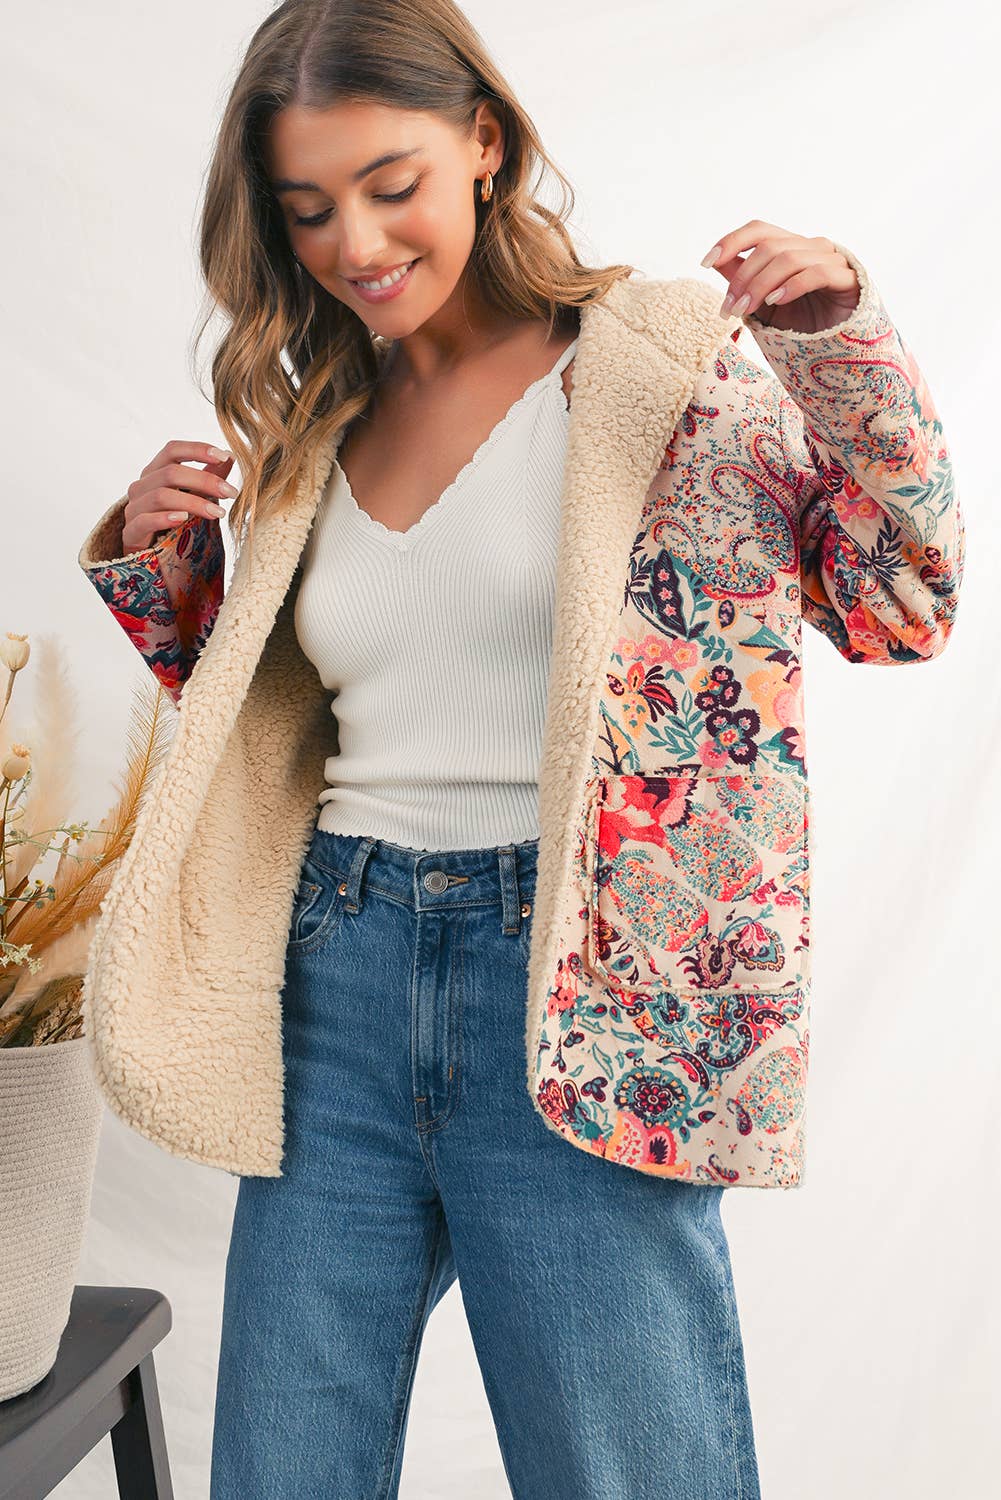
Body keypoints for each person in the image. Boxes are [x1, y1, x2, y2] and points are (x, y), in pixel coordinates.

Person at [75, 1, 965, 1495]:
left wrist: (836, 345)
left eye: (391, 185)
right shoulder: (318, 415)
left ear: (483, 144)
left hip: (578, 978)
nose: (356, 243)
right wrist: (170, 576)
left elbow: (898, 606)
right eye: (308, 209)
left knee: (630, 1472)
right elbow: (290, 725)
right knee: (282, 1469)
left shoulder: (657, 368)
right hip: (335, 981)